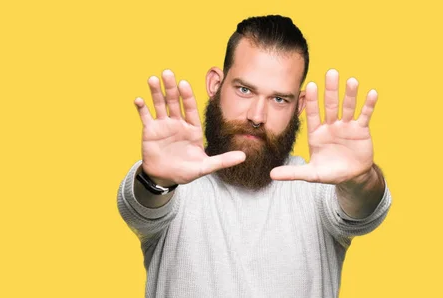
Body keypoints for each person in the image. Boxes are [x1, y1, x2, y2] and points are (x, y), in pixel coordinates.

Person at [116, 14, 392, 298]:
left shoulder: (319, 190)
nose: (257, 116)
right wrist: (157, 179)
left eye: (279, 99)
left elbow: (363, 207)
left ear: (300, 106)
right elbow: (143, 205)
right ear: (215, 84)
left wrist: (360, 179)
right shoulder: (172, 184)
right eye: (244, 89)